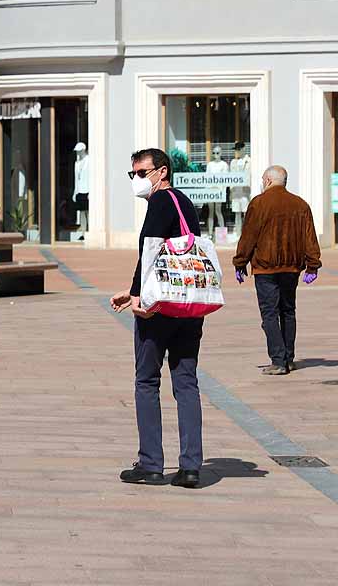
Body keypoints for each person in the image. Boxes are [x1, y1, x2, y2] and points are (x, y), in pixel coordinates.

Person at [111, 149, 204, 489]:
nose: (137, 179)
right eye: (132, 173)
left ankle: (151, 464)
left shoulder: (160, 202)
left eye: (142, 172)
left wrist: (137, 297)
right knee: (186, 382)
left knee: (147, 380)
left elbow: (149, 252)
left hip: (160, 307)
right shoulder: (185, 203)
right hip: (189, 305)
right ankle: (191, 465)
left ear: (162, 172)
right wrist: (132, 289)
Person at [232, 165, 322, 376]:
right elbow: (310, 238)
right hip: (291, 267)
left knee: (270, 313)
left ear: (269, 181)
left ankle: (278, 360)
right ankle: (288, 358)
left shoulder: (259, 203)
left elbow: (249, 236)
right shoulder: (300, 205)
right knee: (288, 311)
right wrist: (313, 265)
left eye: (264, 180)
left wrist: (240, 262)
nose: (262, 184)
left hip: (265, 267)